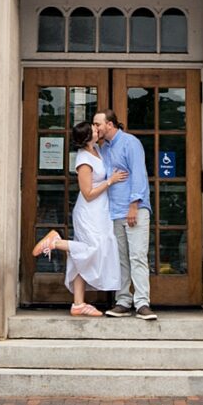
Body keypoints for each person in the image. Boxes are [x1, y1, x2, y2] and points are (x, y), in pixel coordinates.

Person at [29, 122, 127, 316]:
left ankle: (78, 303)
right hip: (89, 210)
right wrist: (110, 181)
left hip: (101, 211)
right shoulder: (83, 159)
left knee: (85, 255)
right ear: (87, 137)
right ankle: (55, 242)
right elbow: (88, 193)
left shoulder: (97, 149)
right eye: (93, 129)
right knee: (92, 250)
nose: (96, 129)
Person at [91, 106, 155, 318]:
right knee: (121, 259)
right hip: (114, 212)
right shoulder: (104, 148)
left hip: (133, 209)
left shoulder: (130, 143)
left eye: (97, 124)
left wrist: (134, 206)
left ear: (110, 124)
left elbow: (138, 174)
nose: (95, 128)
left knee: (137, 256)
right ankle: (123, 300)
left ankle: (142, 302)